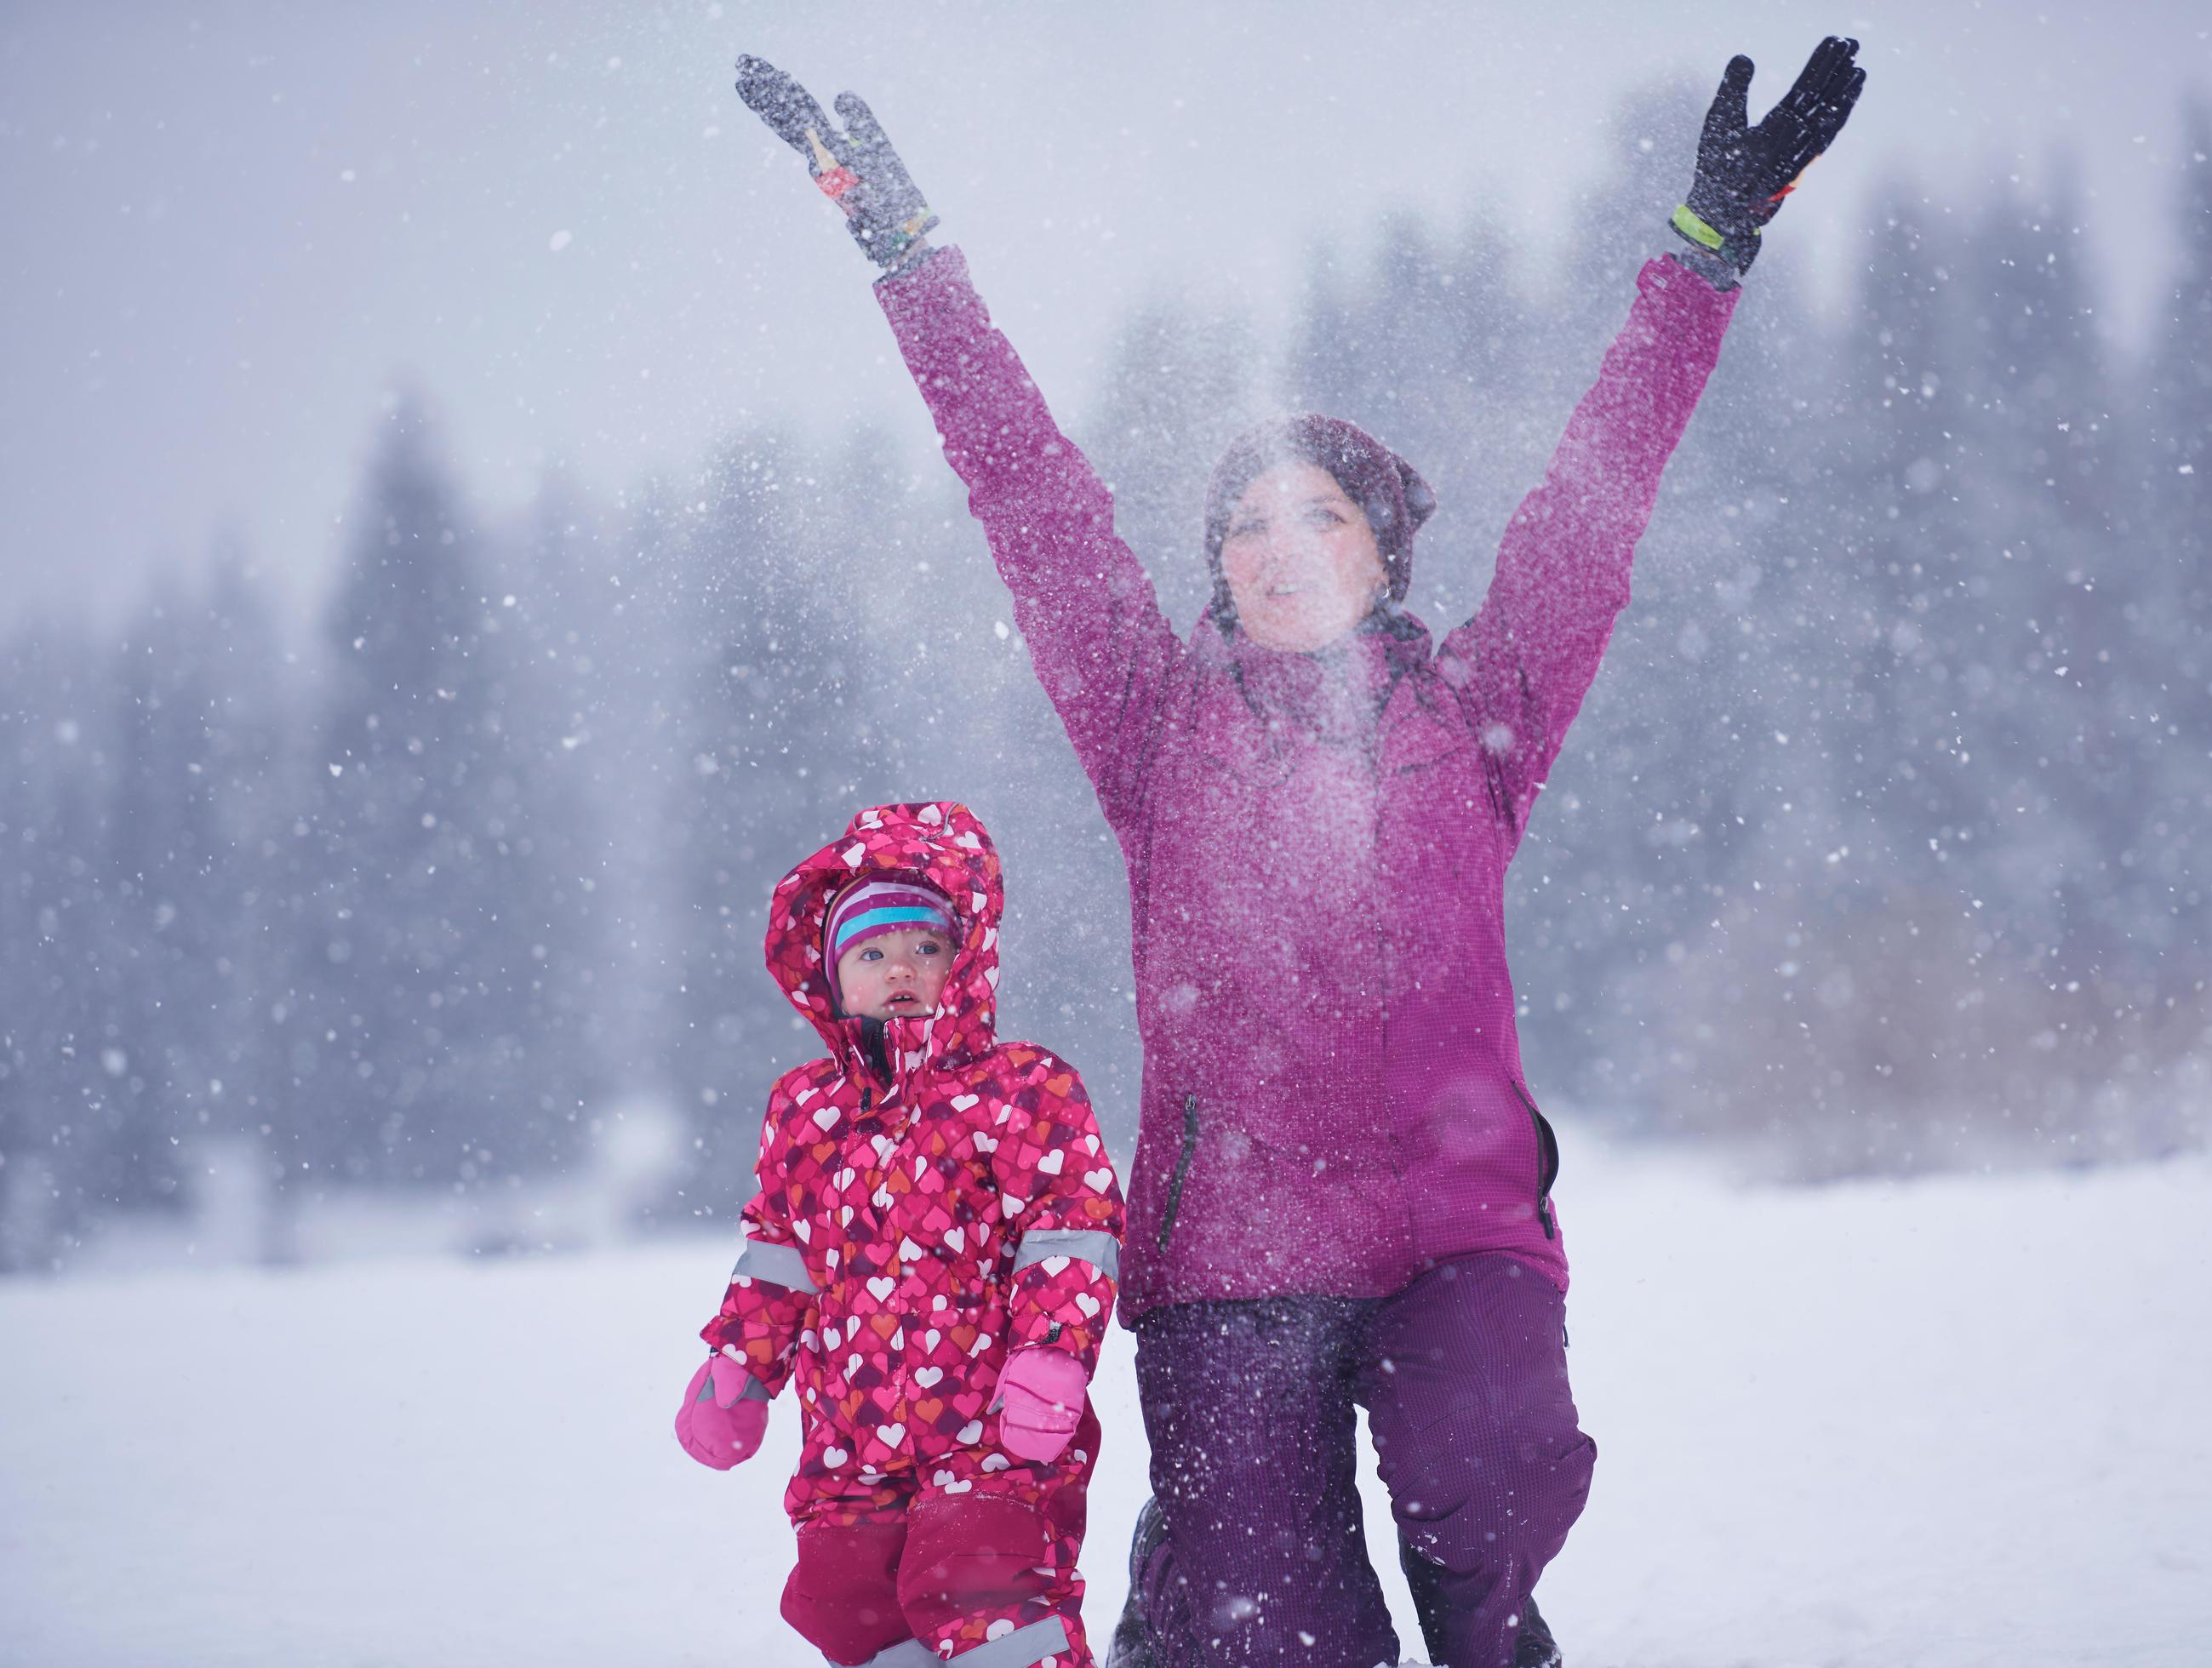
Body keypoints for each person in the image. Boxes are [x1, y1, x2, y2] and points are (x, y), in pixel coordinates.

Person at [734, 40, 1863, 1667]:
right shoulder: (1154, 719)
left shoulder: (1483, 708)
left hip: (1449, 1229)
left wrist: (1706, 252)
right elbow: (1027, 494)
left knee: (1496, 1483)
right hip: (1227, 1259)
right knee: (1264, 1635)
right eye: (1246, 526)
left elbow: (1593, 509)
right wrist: (908, 258)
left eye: (1316, 516)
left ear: (1382, 550)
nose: (1276, 547)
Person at [674, 799, 1125, 1668]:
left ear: (967, 960)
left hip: (994, 1433)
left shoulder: (1022, 1090)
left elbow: (1071, 1227)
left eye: (926, 947)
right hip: (850, 1440)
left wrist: (1052, 1354)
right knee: (844, 1599)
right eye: (873, 953)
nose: (901, 969)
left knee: (984, 1585)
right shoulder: (804, 1108)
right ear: (831, 975)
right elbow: (780, 1256)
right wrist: (738, 1362)